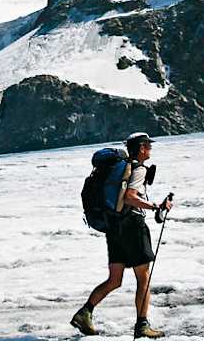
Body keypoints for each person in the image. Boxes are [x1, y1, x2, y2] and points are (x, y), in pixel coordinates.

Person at [71, 133, 173, 338]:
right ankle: (142, 325)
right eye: (148, 146)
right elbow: (130, 197)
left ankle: (85, 313)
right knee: (143, 278)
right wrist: (156, 207)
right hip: (132, 226)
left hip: (114, 227)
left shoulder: (120, 169)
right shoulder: (138, 169)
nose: (150, 150)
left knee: (115, 279)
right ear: (142, 147)